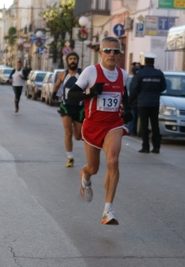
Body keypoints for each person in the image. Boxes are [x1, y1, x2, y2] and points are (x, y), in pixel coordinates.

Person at [67, 36, 132, 225]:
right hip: (93, 126)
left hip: (113, 125)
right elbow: (72, 95)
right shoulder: (90, 72)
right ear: (100, 53)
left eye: (116, 51)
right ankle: (85, 176)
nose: (112, 54)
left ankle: (108, 210)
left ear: (120, 55)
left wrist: (127, 110)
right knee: (93, 168)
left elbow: (123, 94)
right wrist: (91, 91)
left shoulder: (123, 75)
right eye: (108, 50)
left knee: (113, 161)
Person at [51, 52, 83, 168]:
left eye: (75, 58)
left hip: (79, 107)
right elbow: (57, 85)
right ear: (67, 61)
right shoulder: (62, 74)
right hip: (66, 106)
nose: (73, 61)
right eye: (71, 59)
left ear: (77, 61)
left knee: (78, 136)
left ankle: (77, 130)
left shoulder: (83, 74)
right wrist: (53, 94)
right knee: (68, 132)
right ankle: (70, 157)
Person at [130, 52, 166, 154]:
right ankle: (156, 147)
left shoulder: (140, 73)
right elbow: (163, 87)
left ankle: (145, 147)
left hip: (142, 103)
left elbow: (134, 87)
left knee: (144, 125)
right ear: (153, 61)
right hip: (155, 102)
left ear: (145, 61)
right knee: (155, 125)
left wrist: (140, 95)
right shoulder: (159, 73)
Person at [126, 66, 139, 136]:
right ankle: (133, 130)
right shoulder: (138, 79)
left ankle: (131, 130)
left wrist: (129, 101)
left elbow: (132, 92)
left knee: (132, 117)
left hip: (134, 102)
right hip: (139, 102)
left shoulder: (134, 80)